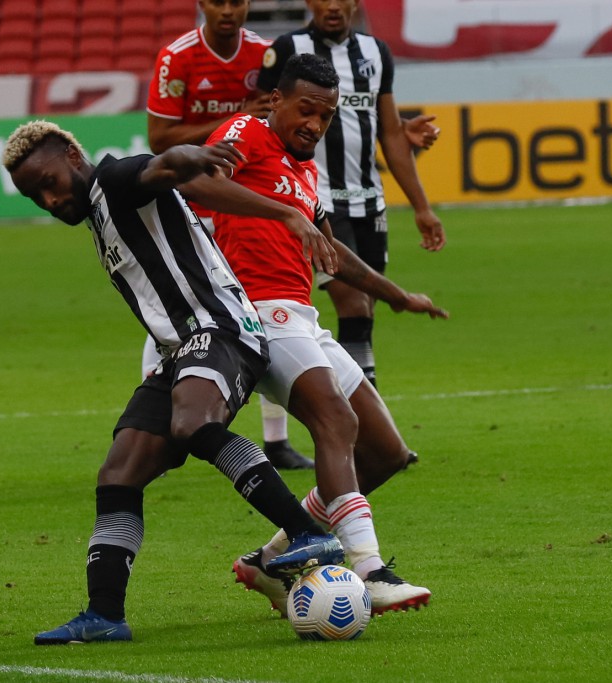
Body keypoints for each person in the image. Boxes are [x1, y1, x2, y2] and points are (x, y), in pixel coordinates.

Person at [2, 120, 344, 644]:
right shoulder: (98, 212)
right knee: (118, 472)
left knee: (192, 423)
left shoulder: (113, 179)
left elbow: (163, 164)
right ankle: (104, 615)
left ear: (73, 156)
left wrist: (196, 154)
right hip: (179, 352)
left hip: (221, 329)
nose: (48, 200)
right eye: (34, 196)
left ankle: (307, 534)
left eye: (49, 182)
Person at [182, 53, 446, 616]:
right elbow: (199, 181)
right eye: (306, 110)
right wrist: (282, 214)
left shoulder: (305, 170)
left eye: (325, 117)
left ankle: (271, 557)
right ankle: (369, 570)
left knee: (386, 452)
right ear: (276, 100)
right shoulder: (246, 132)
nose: (314, 125)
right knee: (338, 421)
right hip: (255, 313)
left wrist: (396, 295)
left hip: (302, 316)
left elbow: (331, 249)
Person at [144, 0, 315, 470]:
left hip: (244, 207)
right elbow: (160, 139)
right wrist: (231, 120)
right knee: (181, 306)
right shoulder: (177, 57)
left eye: (237, 1)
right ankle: (156, 411)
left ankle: (276, 440)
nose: (228, 11)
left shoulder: (265, 55)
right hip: (191, 208)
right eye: (217, 1)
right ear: (202, 5)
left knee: (261, 305)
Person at [256, 0, 446, 411]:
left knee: (363, 316)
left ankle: (360, 415)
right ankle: (366, 418)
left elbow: (391, 133)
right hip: (317, 200)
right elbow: (262, 118)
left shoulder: (377, 53)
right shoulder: (289, 48)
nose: (334, 6)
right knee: (354, 303)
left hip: (368, 201)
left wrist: (422, 207)